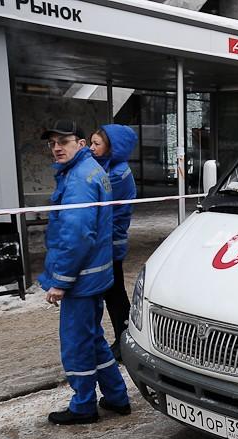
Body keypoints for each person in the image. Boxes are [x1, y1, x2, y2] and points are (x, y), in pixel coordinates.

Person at [39, 119, 131, 425]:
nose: (56, 148)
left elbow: (77, 235)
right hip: (95, 276)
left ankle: (83, 406)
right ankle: (117, 397)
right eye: (52, 143)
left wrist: (60, 281)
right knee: (93, 338)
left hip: (80, 279)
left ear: (79, 143)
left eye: (63, 142)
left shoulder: (79, 179)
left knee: (77, 343)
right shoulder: (92, 169)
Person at [90, 125, 138, 361]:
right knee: (113, 292)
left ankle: (125, 338)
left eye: (96, 144)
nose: (91, 148)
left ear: (113, 147)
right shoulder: (110, 167)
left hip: (111, 242)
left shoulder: (117, 174)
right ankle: (124, 336)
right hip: (108, 240)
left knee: (115, 294)